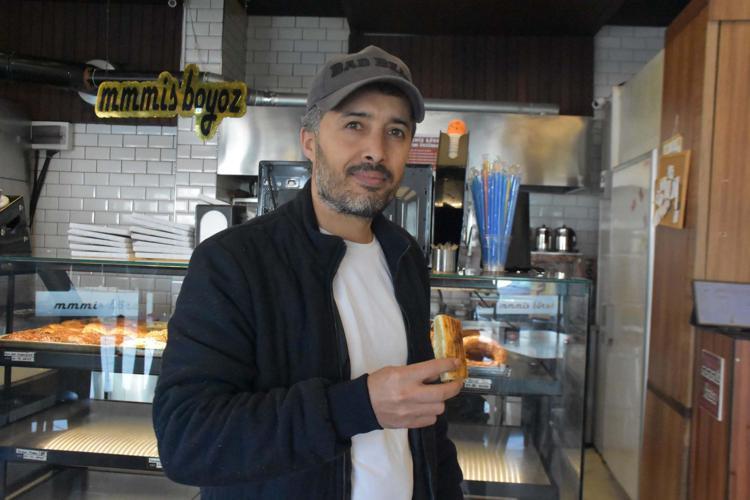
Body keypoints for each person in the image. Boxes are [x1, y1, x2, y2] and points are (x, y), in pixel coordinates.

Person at [153, 45, 465, 500]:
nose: (376, 151)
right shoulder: (234, 261)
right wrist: (356, 407)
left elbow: (428, 427)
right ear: (310, 141)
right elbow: (187, 440)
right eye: (354, 125)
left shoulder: (405, 258)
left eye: (395, 131)